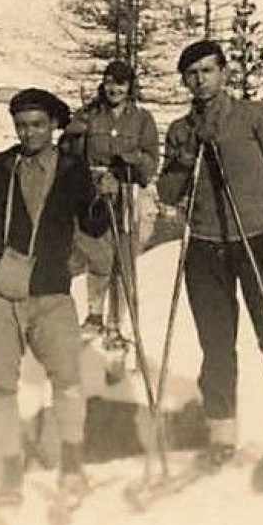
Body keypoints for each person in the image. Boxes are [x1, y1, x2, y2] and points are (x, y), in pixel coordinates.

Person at [155, 39, 263, 466]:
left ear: (223, 73)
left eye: (207, 70)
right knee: (216, 345)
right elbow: (167, 191)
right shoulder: (181, 130)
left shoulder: (251, 117)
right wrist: (184, 160)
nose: (200, 80)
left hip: (257, 239)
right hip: (205, 247)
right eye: (192, 74)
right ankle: (222, 434)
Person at [0, 87, 112, 507]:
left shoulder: (72, 168)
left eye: (37, 125)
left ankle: (71, 464)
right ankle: (10, 474)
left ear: (53, 126)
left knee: (67, 380)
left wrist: (104, 201)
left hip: (51, 291)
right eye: (21, 125)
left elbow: (94, 225)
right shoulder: (0, 166)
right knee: (0, 386)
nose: (28, 133)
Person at [60, 58, 160, 338]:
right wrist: (73, 135)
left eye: (120, 83)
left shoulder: (142, 119)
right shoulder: (90, 114)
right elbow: (68, 155)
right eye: (109, 82)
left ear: (130, 87)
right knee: (98, 256)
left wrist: (128, 162)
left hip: (127, 194)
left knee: (123, 260)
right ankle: (94, 315)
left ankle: (118, 323)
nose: (114, 89)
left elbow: (152, 162)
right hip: (92, 194)